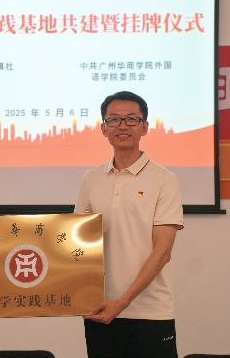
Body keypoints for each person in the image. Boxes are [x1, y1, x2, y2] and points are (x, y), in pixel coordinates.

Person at [74, 91, 184, 358]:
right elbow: (76, 243)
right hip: (100, 308)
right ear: (103, 128)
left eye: (131, 119)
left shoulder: (164, 180)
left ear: (145, 127)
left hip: (150, 311)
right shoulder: (91, 179)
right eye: (113, 119)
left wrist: (122, 302)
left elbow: (163, 252)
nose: (122, 126)